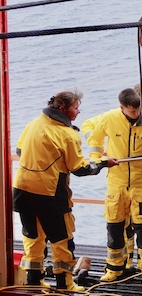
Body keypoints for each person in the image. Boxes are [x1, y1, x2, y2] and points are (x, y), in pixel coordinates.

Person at [13, 90, 118, 291]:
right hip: (50, 194)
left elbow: (20, 151)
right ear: (63, 109)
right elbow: (79, 169)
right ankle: (65, 285)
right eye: (76, 107)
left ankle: (34, 284)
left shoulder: (33, 124)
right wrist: (103, 163)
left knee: (33, 239)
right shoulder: (67, 135)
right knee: (62, 241)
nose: (79, 111)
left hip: (22, 190)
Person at [86, 88, 142, 286]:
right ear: (122, 108)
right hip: (117, 182)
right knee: (114, 226)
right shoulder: (109, 118)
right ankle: (114, 268)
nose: (137, 114)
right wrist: (98, 159)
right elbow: (95, 141)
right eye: (132, 111)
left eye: (139, 110)